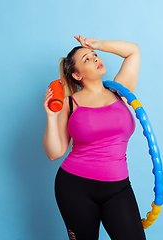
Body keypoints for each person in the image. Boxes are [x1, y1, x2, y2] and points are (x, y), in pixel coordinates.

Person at [43, 35, 145, 240]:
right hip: (74, 186)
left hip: (118, 187)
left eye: (95, 55)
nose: (96, 58)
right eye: (87, 59)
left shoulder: (120, 91)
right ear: (77, 75)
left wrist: (100, 45)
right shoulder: (68, 103)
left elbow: (133, 50)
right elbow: (55, 153)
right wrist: (51, 117)